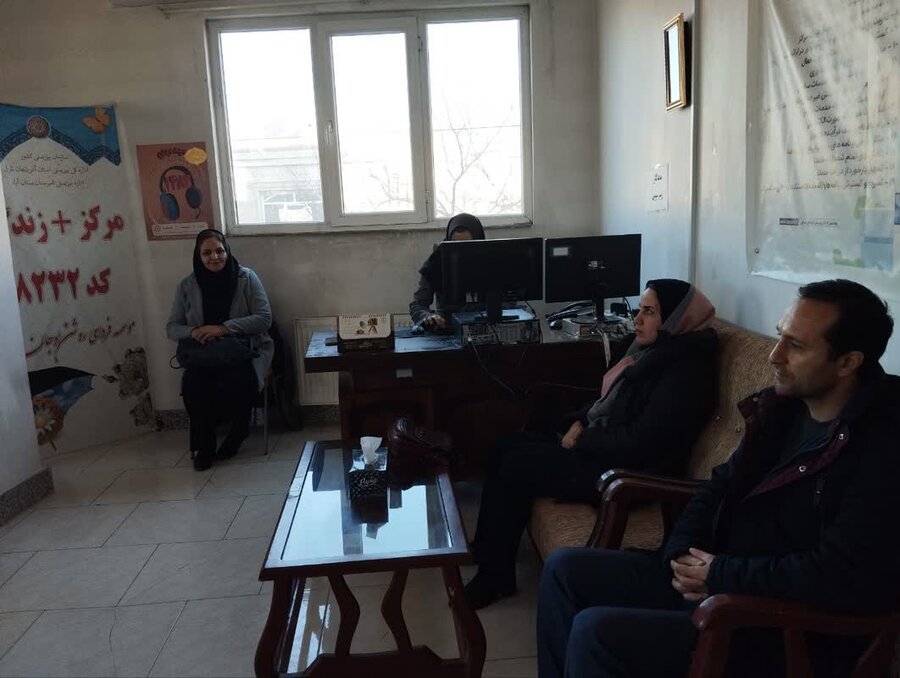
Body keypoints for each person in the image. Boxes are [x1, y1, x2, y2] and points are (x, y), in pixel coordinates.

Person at [537, 279, 899, 678]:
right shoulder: (784, 409)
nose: (775, 356)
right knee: (565, 570)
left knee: (598, 633)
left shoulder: (880, 449)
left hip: (775, 624)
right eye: (780, 336)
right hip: (718, 579)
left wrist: (721, 574)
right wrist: (680, 554)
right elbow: (718, 486)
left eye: (795, 346)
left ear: (848, 362)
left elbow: (839, 574)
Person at [466, 279, 718, 609]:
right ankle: (486, 548)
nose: (638, 319)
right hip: (603, 448)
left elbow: (640, 442)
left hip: (626, 471)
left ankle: (494, 578)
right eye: (639, 310)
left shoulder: (685, 373)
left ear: (674, 319)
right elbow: (608, 403)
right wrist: (579, 421)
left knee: (518, 465)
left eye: (649, 312)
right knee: (506, 444)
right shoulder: (652, 351)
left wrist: (583, 437)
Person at [166, 229, 273, 471]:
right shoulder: (187, 285)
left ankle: (238, 432)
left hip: (242, 350)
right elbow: (172, 327)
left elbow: (264, 318)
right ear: (198, 256)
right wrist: (195, 331)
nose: (214, 257)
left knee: (240, 379)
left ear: (227, 251)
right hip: (204, 354)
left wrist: (224, 328)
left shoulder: (246, 278)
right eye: (207, 253)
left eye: (219, 251)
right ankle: (204, 447)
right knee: (193, 384)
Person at [409, 213, 485, 329]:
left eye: (466, 245)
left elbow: (508, 303)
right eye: (454, 244)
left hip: (486, 327)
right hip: (447, 328)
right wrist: (428, 317)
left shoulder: (490, 261)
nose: (460, 251)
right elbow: (417, 304)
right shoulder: (437, 262)